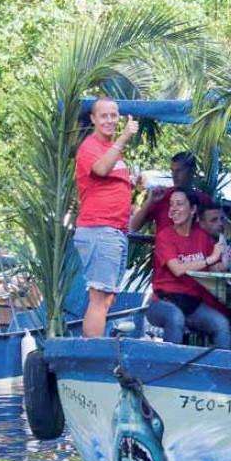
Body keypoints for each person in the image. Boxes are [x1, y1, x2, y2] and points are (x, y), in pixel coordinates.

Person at [74, 97, 139, 337]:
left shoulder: (111, 150)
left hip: (114, 230)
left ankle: (94, 350)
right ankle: (91, 357)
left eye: (114, 115)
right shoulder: (90, 146)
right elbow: (100, 169)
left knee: (106, 297)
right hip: (99, 229)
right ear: (93, 119)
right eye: (104, 115)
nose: (110, 120)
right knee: (99, 298)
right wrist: (124, 137)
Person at [147, 189, 231, 349]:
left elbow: (212, 268)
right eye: (171, 204)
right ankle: (169, 368)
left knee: (221, 324)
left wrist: (223, 262)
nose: (173, 208)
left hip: (192, 304)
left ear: (192, 210)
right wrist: (210, 259)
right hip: (163, 302)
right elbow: (177, 269)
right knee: (175, 317)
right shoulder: (165, 236)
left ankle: (220, 371)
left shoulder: (202, 237)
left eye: (179, 204)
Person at [130, 151, 212, 234]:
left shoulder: (204, 200)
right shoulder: (162, 196)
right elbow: (133, 227)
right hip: (165, 245)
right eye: (172, 171)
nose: (174, 175)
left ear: (192, 171)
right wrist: (149, 201)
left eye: (179, 170)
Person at [197, 203, 231, 268]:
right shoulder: (199, 243)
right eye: (214, 220)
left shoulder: (220, 239)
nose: (220, 223)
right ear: (202, 224)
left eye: (222, 218)